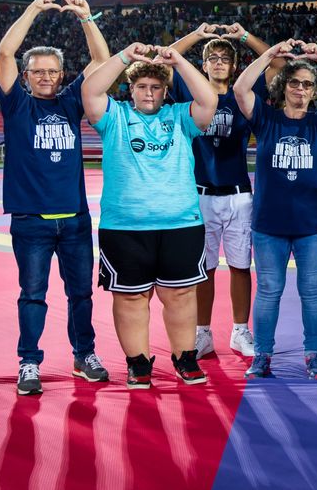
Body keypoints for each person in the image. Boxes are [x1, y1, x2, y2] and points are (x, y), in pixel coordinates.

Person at [82, 43, 217, 389]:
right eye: (141, 86)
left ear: (165, 91)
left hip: (181, 224)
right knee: (130, 298)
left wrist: (179, 61)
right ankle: (138, 364)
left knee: (181, 296)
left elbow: (209, 101)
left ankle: (185, 359)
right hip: (125, 226)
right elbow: (90, 89)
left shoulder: (180, 117)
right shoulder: (114, 116)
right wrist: (126, 56)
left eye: (156, 87)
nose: (149, 93)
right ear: (131, 88)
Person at [0, 0, 111, 395]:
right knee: (33, 295)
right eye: (37, 71)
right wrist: (34, 8)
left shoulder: (69, 104)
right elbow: (5, 52)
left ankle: (84, 354)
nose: (45, 77)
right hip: (31, 222)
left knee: (81, 294)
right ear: (26, 76)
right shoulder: (16, 107)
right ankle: (29, 362)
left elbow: (101, 61)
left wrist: (86, 17)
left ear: (61, 75)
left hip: (75, 220)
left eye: (51, 71)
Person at [233, 40, 317, 379]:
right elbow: (241, 88)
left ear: (314, 90)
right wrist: (269, 55)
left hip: (312, 225)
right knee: (269, 290)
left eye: (307, 84)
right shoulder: (266, 119)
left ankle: (314, 353)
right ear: (283, 86)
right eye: (294, 82)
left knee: (313, 291)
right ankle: (263, 354)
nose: (300, 89)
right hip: (269, 223)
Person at [169, 22, 279, 359]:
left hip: (238, 194)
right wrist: (199, 35)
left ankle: (239, 331)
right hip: (200, 193)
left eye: (224, 59)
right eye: (211, 58)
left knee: (241, 265)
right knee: (205, 267)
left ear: (233, 66)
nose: (218, 62)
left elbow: (276, 64)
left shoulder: (243, 95)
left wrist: (244, 35)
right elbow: (169, 58)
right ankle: (203, 333)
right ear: (203, 65)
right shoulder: (191, 92)